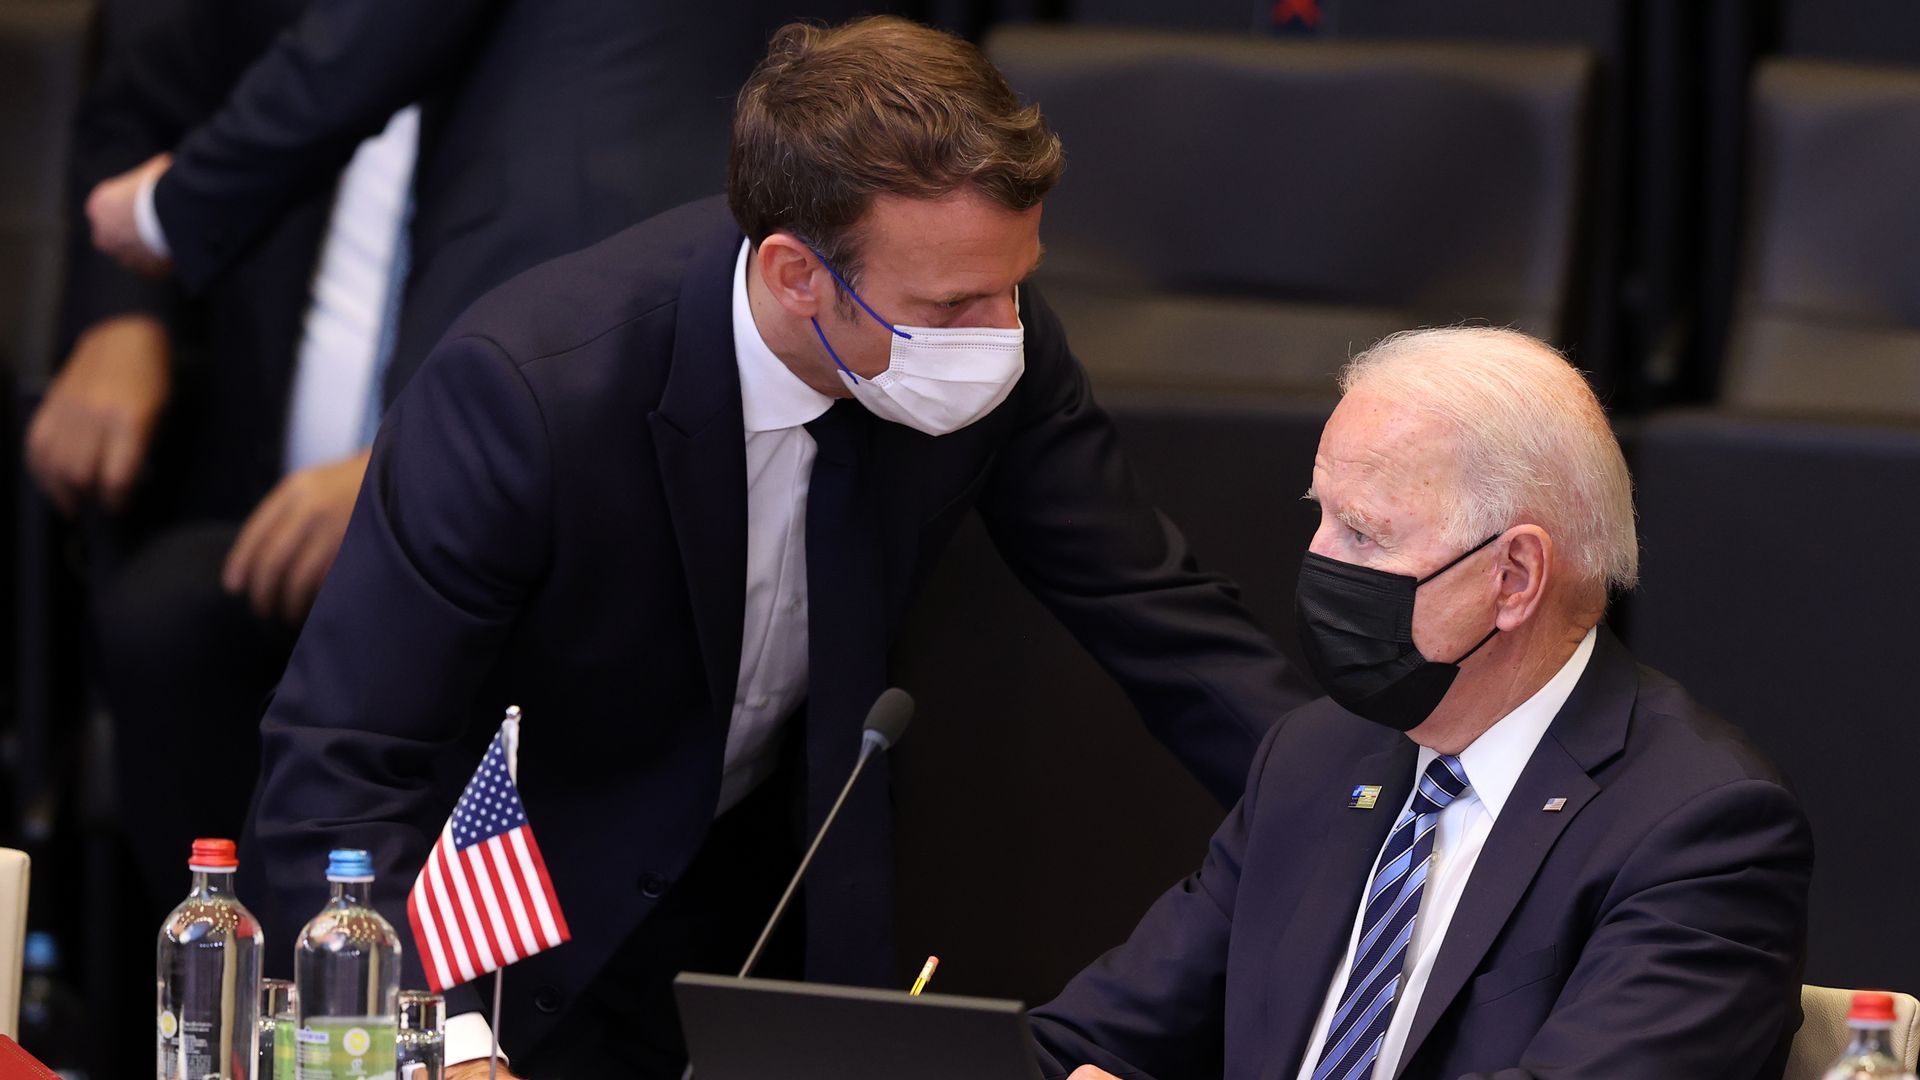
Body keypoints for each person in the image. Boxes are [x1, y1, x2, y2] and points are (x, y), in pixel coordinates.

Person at [243, 16, 1313, 1080]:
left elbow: (1159, 618)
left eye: (1012, 286)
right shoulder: (530, 388)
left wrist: (1370, 792)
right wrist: (447, 1048)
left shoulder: (995, 341)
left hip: (766, 915)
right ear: (798, 273)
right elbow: (338, 763)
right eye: (950, 306)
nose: (998, 335)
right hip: (509, 937)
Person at [1030, 327, 1813, 1080]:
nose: (1316, 561)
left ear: (1514, 577)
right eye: (1322, 516)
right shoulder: (1315, 757)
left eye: (1363, 534)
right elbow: (1091, 1037)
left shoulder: (1700, 827)